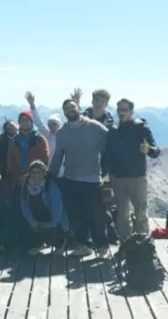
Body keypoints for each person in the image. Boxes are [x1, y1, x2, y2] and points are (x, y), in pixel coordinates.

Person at [48, 98, 109, 257]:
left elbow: (110, 145)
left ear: (79, 107)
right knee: (77, 215)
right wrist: (50, 174)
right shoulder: (62, 133)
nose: (70, 110)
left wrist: (107, 170)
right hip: (71, 178)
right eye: (66, 108)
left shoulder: (95, 127)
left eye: (72, 107)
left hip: (92, 178)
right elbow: (58, 157)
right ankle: (83, 244)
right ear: (64, 113)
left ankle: (102, 245)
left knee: (96, 215)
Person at [105, 98, 160, 239]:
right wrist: (104, 173)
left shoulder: (141, 128)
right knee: (122, 214)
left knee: (140, 211)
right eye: (119, 110)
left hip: (137, 177)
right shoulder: (113, 131)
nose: (121, 113)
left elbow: (156, 152)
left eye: (125, 110)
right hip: (117, 177)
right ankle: (125, 244)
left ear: (131, 112)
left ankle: (143, 244)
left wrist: (149, 150)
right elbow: (108, 154)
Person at [19, 160, 69, 255]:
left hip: (53, 220)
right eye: (33, 172)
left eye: (39, 172)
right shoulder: (25, 185)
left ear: (44, 174)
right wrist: (31, 220)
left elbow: (58, 208)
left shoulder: (50, 186)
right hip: (37, 219)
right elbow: (24, 205)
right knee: (24, 227)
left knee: (51, 232)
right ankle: (38, 244)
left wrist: (52, 224)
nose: (36, 175)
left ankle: (61, 243)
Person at [7, 110, 50, 185]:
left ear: (31, 122)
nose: (25, 122)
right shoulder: (15, 140)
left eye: (27, 120)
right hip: (19, 177)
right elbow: (10, 159)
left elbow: (45, 158)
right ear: (19, 123)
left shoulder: (39, 139)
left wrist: (36, 174)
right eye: (22, 120)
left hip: (36, 177)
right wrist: (17, 174)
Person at [25, 92, 61, 162]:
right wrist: (32, 105)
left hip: (60, 167)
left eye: (54, 124)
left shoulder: (63, 135)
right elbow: (37, 121)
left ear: (58, 125)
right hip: (46, 165)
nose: (51, 126)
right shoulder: (46, 133)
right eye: (50, 124)